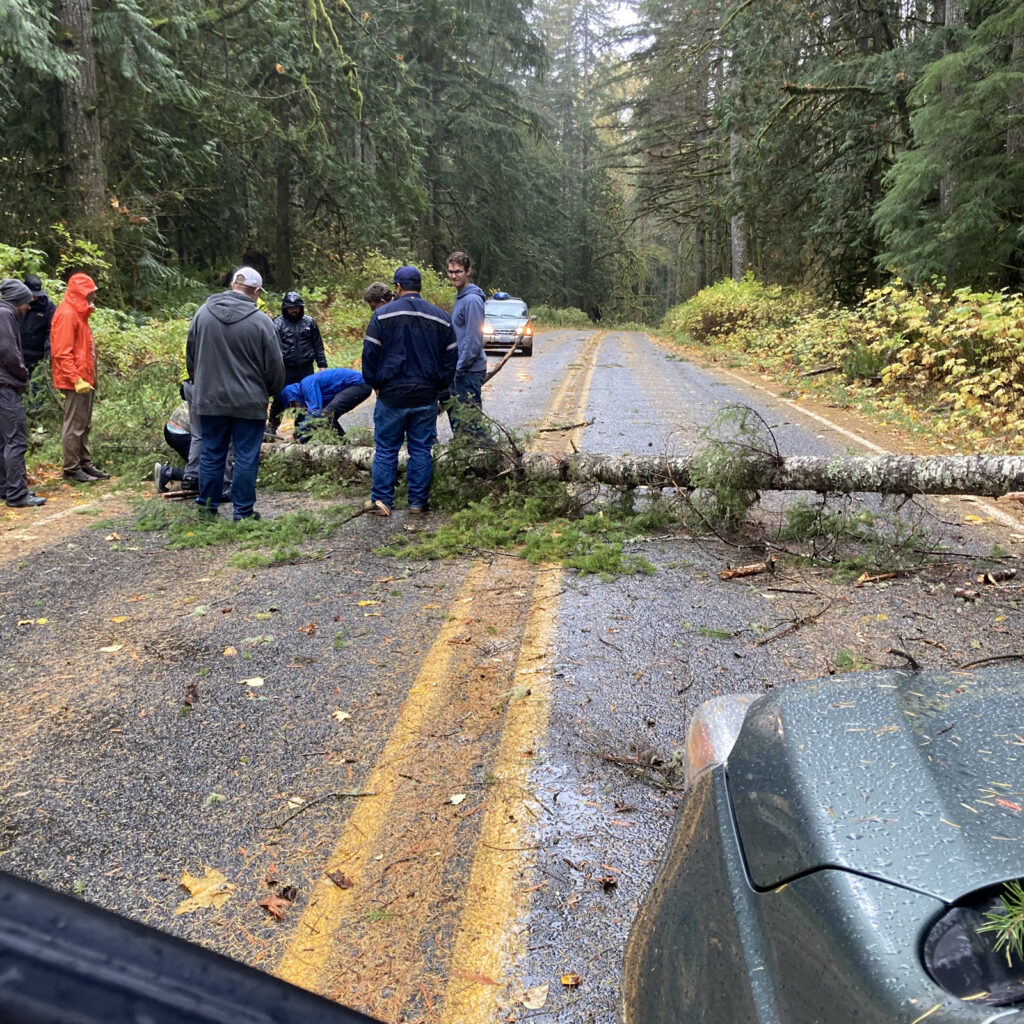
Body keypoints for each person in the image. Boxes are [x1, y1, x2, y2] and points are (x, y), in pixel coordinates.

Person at [185, 267, 284, 520]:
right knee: (246, 457)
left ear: (232, 285)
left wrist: (202, 385)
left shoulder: (202, 314)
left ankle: (207, 509)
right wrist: (270, 391)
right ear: (256, 291)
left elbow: (191, 357)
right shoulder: (262, 322)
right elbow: (275, 367)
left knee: (211, 453)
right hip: (249, 403)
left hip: (210, 400)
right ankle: (243, 512)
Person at [361, 265, 457, 515]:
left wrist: (375, 384)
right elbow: (450, 357)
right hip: (426, 393)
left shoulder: (382, 316)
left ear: (398, 288)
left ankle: (382, 500)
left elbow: (370, 354)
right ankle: (417, 502)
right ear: (419, 287)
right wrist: (441, 386)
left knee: (386, 449)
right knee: (421, 450)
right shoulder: (441, 317)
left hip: (391, 394)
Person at [51, 272, 108, 483]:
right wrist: (75, 379)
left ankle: (84, 463)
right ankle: (71, 468)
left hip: (85, 378)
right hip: (75, 380)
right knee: (74, 424)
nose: (93, 296)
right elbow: (62, 352)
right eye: (90, 293)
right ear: (80, 293)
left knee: (84, 423)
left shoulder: (80, 313)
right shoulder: (67, 314)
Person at [0, 279, 45, 508]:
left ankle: (6, 488)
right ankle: (18, 494)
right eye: (26, 302)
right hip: (6, 388)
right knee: (16, 440)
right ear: (17, 300)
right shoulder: (5, 315)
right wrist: (23, 373)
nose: (28, 307)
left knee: (3, 441)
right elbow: (7, 351)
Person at [268, 291, 327, 434]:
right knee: (280, 398)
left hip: (306, 368)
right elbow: (271, 347)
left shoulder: (309, 322)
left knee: (305, 398)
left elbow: (317, 345)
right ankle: (272, 426)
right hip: (285, 369)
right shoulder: (277, 324)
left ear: (301, 308)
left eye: (296, 307)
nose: (293, 310)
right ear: (285, 308)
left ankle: (301, 430)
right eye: (290, 308)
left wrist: (322, 365)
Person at [445, 250, 488, 438]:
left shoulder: (472, 300)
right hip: (460, 369)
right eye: (450, 272)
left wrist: (460, 368)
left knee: (471, 425)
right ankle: (467, 460)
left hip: (468, 371)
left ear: (468, 271)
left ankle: (489, 457)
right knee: (460, 422)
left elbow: (473, 339)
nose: (454, 276)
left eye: (458, 271)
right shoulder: (461, 296)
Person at [154, 397, 234, 494]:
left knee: (211, 471)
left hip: (174, 429)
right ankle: (167, 472)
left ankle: (173, 474)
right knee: (212, 475)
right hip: (182, 432)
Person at [279, 367, 371, 442]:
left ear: (295, 396)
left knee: (326, 416)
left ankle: (344, 448)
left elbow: (315, 414)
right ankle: (343, 448)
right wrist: (299, 440)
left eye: (295, 404)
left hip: (358, 384)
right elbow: (314, 422)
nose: (298, 407)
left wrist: (294, 435)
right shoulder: (311, 398)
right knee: (326, 418)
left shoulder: (306, 385)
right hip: (355, 387)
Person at [19, 274, 55, 379]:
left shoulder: (47, 306)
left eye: (36, 294)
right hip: (17, 356)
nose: (34, 297)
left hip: (37, 358)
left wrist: (48, 350)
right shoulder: (16, 302)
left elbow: (51, 330)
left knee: (35, 388)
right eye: (31, 294)